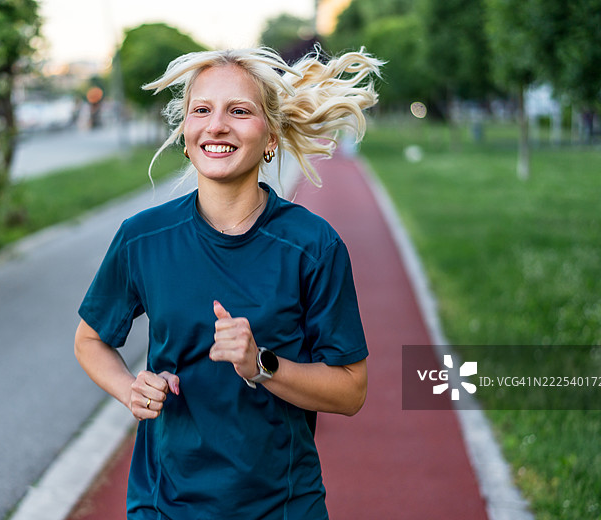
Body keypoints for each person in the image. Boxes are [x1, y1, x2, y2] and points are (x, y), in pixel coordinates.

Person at [75, 46, 380, 520]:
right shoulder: (142, 237)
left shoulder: (313, 245)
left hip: (281, 507)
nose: (216, 125)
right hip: (164, 506)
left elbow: (351, 390)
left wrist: (260, 364)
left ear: (271, 136)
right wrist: (130, 387)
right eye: (202, 110)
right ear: (185, 133)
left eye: (239, 111)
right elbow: (90, 340)